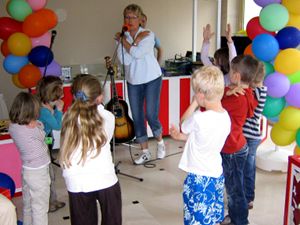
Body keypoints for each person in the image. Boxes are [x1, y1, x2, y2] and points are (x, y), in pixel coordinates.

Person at [170, 65, 231, 225]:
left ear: (200, 95)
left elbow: (183, 123)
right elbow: (203, 138)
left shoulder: (199, 118)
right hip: (216, 174)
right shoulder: (225, 116)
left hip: (198, 177)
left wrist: (194, 104)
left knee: (196, 217)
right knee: (210, 216)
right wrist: (182, 138)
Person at [59, 75, 122, 225]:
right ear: (99, 97)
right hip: (104, 177)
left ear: (74, 96)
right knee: (112, 220)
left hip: (75, 180)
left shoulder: (66, 118)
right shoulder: (108, 117)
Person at [115, 3, 165, 165]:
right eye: (126, 17)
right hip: (133, 81)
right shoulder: (124, 38)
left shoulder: (148, 34)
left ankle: (159, 141)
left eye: (133, 17)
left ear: (141, 19)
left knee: (151, 114)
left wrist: (128, 42)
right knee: (137, 116)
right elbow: (125, 59)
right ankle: (144, 152)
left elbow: (137, 54)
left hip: (152, 78)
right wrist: (127, 41)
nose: (129, 20)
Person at [220, 55, 259, 225]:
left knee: (235, 190)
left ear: (236, 76)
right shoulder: (248, 92)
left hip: (231, 149)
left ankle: (240, 220)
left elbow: (213, 106)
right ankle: (236, 216)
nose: (229, 74)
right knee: (236, 184)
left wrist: (227, 94)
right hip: (239, 145)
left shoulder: (236, 98)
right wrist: (228, 91)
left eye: (231, 71)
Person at [9, 92, 50, 225]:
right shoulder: (32, 129)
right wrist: (37, 125)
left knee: (27, 205)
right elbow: (43, 134)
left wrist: (34, 123)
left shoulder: (13, 127)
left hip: (27, 170)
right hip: (39, 172)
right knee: (40, 208)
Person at [36, 75, 66, 213]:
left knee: (50, 175)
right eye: (60, 90)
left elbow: (48, 132)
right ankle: (49, 202)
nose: (63, 93)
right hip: (40, 147)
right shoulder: (44, 110)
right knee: (48, 175)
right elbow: (57, 125)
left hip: (45, 142)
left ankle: (53, 200)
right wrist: (59, 111)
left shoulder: (45, 106)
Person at [242, 62, 267, 210]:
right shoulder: (257, 90)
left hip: (250, 136)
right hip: (250, 135)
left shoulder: (258, 92)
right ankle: (247, 195)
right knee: (247, 167)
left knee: (248, 167)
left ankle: (248, 197)